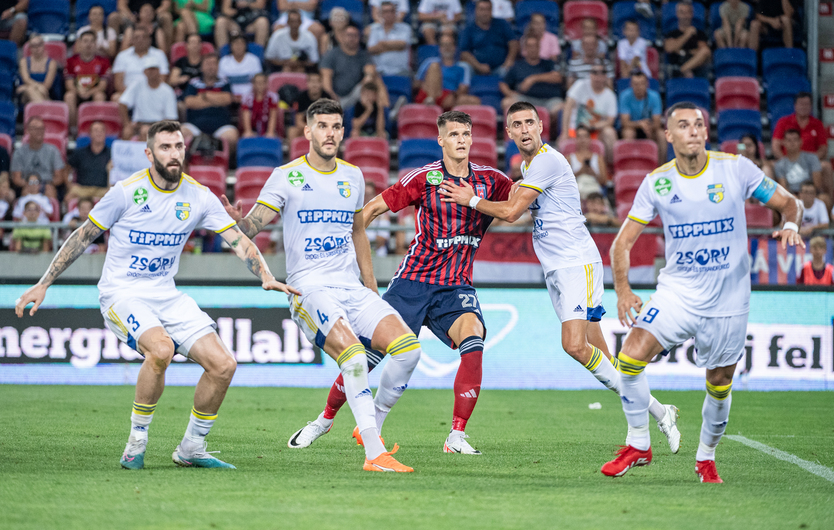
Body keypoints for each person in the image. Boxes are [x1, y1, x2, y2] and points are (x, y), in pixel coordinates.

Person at [15, 120, 294, 470]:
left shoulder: (199, 196)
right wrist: (44, 282)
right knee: (161, 350)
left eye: (178, 146)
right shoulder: (126, 192)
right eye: (165, 147)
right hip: (122, 293)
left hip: (166, 294)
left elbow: (238, 240)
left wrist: (266, 274)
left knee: (224, 366)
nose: (174, 154)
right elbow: (83, 236)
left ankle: (191, 448)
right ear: (149, 154)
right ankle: (136, 443)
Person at [441, 102, 681, 453]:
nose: (524, 129)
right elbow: (516, 203)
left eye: (529, 122)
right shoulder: (529, 166)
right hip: (559, 268)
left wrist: (471, 200)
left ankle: (650, 402)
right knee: (603, 360)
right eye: (517, 125)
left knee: (574, 345)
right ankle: (661, 412)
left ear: (541, 126)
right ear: (508, 133)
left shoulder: (547, 161)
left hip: (575, 264)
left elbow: (511, 212)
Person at [277, 110, 513, 455]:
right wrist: (340, 243)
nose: (461, 140)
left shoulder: (492, 180)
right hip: (413, 282)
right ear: (441, 140)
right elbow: (372, 209)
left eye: (466, 133)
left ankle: (456, 436)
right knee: (367, 356)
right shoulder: (425, 178)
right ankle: (324, 420)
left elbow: (521, 203)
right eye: (454, 134)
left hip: (456, 286)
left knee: (474, 340)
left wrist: (477, 200)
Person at [600, 102, 802, 482]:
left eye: (698, 124)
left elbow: (789, 203)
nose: (692, 130)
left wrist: (790, 223)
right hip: (678, 291)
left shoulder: (736, 168)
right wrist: (623, 291)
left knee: (719, 384)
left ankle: (706, 458)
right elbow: (621, 244)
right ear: (668, 135)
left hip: (729, 298)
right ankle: (640, 444)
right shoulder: (658, 182)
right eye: (683, 125)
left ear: (706, 132)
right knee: (630, 357)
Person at [222, 99, 419, 472]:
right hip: (309, 289)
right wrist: (237, 223)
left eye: (336, 126)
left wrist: (371, 286)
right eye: (323, 126)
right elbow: (252, 226)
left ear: (343, 132)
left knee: (409, 351)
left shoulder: (353, 176)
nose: (330, 133)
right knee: (355, 358)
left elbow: (357, 231)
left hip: (351, 287)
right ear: (307, 131)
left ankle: (371, 424)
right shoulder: (287, 175)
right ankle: (375, 454)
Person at [772, 93, 833, 198]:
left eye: (806, 104)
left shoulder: (817, 124)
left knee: (826, 166)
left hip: (810, 161)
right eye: (801, 104)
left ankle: (830, 202)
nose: (804, 107)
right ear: (795, 105)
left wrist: (810, 161)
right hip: (786, 159)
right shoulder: (783, 122)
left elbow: (823, 149)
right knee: (768, 167)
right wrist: (787, 162)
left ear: (811, 106)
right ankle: (769, 202)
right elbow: (775, 146)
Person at [181, 53, 240, 152]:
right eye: (208, 64)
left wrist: (204, 96)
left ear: (218, 66)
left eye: (214, 64)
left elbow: (227, 99)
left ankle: (225, 161)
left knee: (232, 136)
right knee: (181, 133)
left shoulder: (225, 82)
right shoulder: (193, 83)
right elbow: (190, 102)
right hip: (195, 126)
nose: (211, 67)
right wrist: (216, 100)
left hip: (221, 127)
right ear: (202, 67)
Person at [560, 63, 618, 160]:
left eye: (601, 73)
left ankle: (609, 166)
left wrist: (593, 126)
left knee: (610, 133)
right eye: (594, 72)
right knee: (561, 142)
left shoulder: (610, 95)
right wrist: (564, 132)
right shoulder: (580, 85)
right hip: (575, 130)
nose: (597, 77)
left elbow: (610, 121)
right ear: (590, 74)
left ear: (605, 76)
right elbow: (568, 106)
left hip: (595, 131)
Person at [320, 24, 386, 110]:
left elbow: (370, 70)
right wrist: (332, 98)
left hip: (356, 95)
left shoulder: (363, 55)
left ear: (359, 38)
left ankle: (385, 109)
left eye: (355, 35)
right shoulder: (331, 55)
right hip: (335, 96)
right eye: (349, 35)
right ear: (342, 37)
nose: (352, 38)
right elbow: (326, 80)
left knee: (376, 78)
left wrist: (368, 76)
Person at [499, 34, 564, 117]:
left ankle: (545, 124)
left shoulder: (549, 63)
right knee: (507, 102)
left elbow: (558, 78)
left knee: (562, 107)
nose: (533, 49)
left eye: (535, 46)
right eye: (530, 46)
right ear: (525, 48)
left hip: (549, 101)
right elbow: (503, 84)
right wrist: (510, 93)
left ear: (539, 47)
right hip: (526, 100)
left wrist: (533, 79)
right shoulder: (518, 66)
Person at [414, 32, 481, 109]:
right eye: (444, 45)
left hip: (448, 96)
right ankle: (431, 100)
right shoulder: (429, 61)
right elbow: (416, 84)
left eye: (449, 45)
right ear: (440, 48)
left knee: (475, 101)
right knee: (434, 66)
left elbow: (463, 88)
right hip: (428, 93)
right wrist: (431, 84)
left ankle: (446, 110)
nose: (447, 48)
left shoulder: (462, 67)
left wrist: (453, 96)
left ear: (454, 48)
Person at [119, 58, 179, 140]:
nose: (151, 72)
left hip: (159, 125)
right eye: (149, 70)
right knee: (127, 133)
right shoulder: (137, 85)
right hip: (138, 124)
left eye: (153, 69)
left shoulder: (167, 91)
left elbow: (171, 118)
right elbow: (122, 103)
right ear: (144, 72)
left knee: (146, 131)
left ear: (158, 71)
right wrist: (127, 124)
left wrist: (154, 127)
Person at [64, 31, 112, 128]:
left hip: (94, 92)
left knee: (99, 96)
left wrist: (89, 92)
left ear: (95, 44)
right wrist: (79, 92)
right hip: (77, 92)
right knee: (69, 96)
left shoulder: (104, 61)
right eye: (85, 41)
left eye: (91, 41)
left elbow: (102, 86)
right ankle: (73, 129)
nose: (88, 44)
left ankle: (96, 127)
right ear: (79, 43)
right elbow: (69, 84)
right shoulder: (71, 61)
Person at [458, 0, 518, 76]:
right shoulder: (468, 29)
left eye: (488, 9)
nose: (485, 13)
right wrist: (479, 66)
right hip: (476, 68)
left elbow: (513, 42)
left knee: (509, 70)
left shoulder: (502, 24)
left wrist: (509, 60)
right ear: (476, 10)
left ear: (491, 11)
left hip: (501, 67)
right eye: (482, 9)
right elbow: (464, 52)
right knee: (463, 67)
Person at [112, 26, 170, 102]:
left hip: (153, 92)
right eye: (137, 37)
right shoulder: (122, 56)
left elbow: (162, 79)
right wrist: (133, 93)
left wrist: (148, 93)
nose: (140, 40)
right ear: (131, 40)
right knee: (116, 98)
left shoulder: (159, 55)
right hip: (128, 93)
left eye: (144, 37)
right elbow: (118, 83)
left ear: (149, 40)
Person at [10, 118, 65, 196]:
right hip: (27, 185)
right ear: (28, 131)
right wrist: (32, 185)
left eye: (41, 128)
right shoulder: (19, 153)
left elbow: (59, 178)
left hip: (47, 184)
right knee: (25, 193)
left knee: (51, 192)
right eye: (36, 129)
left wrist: (44, 185)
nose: (40, 131)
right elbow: (17, 179)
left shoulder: (53, 150)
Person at [619, 70, 665, 162]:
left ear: (647, 84)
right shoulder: (624, 96)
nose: (639, 87)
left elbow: (657, 123)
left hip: (649, 127)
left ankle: (661, 165)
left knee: (661, 135)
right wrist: (640, 124)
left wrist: (648, 127)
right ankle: (629, 164)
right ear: (631, 84)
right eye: (636, 84)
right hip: (632, 127)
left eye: (641, 84)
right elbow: (625, 123)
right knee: (628, 133)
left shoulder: (654, 96)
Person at [664, 1, 711, 78]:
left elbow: (704, 52)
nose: (685, 16)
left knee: (706, 51)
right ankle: (684, 70)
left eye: (687, 12)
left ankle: (681, 71)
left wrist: (681, 51)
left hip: (696, 68)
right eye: (682, 12)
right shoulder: (671, 34)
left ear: (692, 14)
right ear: (677, 14)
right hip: (676, 63)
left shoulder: (700, 33)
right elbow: (670, 49)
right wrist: (687, 35)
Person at [66, 121, 112, 200]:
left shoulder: (112, 154)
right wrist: (69, 185)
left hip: (103, 190)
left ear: (105, 134)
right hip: (83, 189)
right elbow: (67, 169)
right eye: (96, 130)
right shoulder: (80, 153)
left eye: (102, 130)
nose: (99, 133)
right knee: (69, 197)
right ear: (90, 134)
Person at [109, 0, 174, 56]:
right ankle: (114, 54)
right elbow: (121, 5)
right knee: (114, 17)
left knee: (167, 17)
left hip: (155, 15)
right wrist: (131, 16)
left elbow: (166, 5)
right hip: (132, 16)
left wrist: (151, 13)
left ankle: (167, 54)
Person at [368, 1, 413, 77]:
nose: (389, 14)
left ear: (395, 13)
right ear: (380, 14)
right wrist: (394, 46)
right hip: (379, 72)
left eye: (391, 11)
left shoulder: (405, 28)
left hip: (401, 71)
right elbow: (371, 49)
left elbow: (402, 44)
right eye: (385, 11)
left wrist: (382, 44)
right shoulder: (374, 29)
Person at [774, 128, 823, 194]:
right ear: (784, 143)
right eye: (789, 140)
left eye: (795, 139)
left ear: (801, 141)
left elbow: (817, 185)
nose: (792, 143)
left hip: (811, 194)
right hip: (792, 196)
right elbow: (784, 190)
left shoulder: (812, 158)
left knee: (824, 198)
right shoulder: (779, 165)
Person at [17, 34, 59, 103]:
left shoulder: (52, 63)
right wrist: (38, 86)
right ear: (30, 48)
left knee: (30, 89)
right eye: (33, 46)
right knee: (30, 90)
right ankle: (47, 106)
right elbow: (26, 79)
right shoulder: (23, 62)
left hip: (45, 93)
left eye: (39, 45)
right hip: (25, 96)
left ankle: (42, 107)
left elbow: (47, 85)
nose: (37, 48)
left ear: (43, 45)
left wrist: (25, 87)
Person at [568, 125, 608, 198]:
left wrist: (593, 173)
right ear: (576, 139)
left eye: (585, 136)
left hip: (594, 192)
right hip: (576, 193)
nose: (582, 140)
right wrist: (580, 171)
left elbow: (604, 182)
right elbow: (565, 181)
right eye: (579, 137)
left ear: (589, 139)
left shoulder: (598, 158)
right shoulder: (569, 158)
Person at [218, 34, 263, 98]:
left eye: (241, 43)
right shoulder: (224, 61)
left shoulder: (254, 60)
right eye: (236, 43)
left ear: (245, 45)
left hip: (250, 96)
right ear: (231, 46)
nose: (238, 46)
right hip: (229, 97)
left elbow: (258, 80)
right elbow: (221, 81)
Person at [241, 73, 278, 138]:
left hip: (267, 128)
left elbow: (273, 116)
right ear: (253, 84)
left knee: (271, 136)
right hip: (252, 128)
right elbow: (246, 115)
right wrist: (248, 131)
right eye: (257, 83)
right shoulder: (247, 98)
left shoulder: (272, 97)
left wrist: (270, 132)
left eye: (262, 82)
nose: (260, 85)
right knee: (247, 136)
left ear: (266, 84)